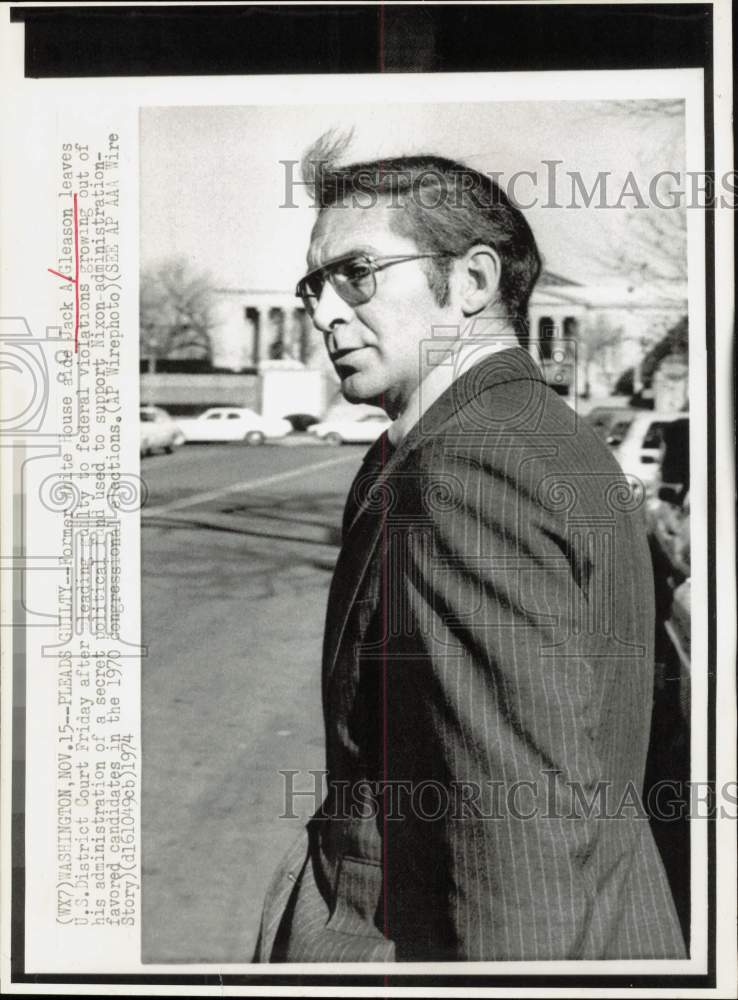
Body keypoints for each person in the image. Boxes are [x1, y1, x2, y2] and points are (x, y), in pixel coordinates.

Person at [254, 136, 686, 962]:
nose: (324, 311)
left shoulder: (467, 470)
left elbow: (518, 835)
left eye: (357, 273)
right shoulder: (544, 435)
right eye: (314, 285)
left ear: (475, 282)